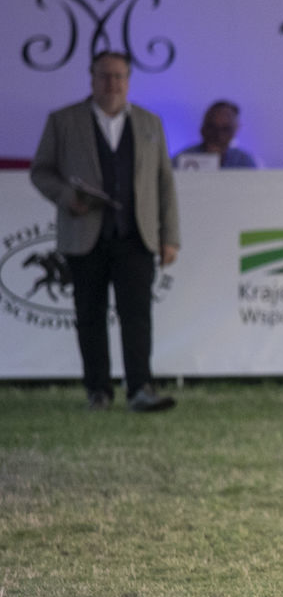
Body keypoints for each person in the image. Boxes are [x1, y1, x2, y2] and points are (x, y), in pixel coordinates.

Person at [29, 50, 179, 412]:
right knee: (90, 316)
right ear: (91, 78)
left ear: (128, 80)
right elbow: (41, 171)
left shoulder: (149, 124)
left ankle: (140, 388)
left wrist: (169, 235)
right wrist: (67, 197)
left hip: (136, 236)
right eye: (105, 76)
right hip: (85, 236)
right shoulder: (63, 121)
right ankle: (98, 391)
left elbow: (164, 182)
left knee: (137, 316)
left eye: (119, 76)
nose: (113, 83)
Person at [174, 100, 257, 169]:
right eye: (212, 127)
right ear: (203, 129)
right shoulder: (182, 159)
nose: (218, 135)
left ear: (235, 131)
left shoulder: (244, 162)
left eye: (225, 129)